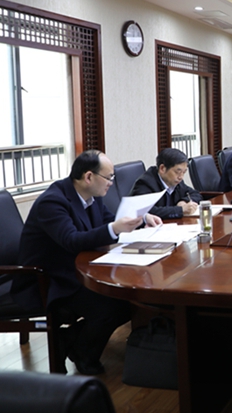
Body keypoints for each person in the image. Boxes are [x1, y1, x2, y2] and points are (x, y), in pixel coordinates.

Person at [11, 150, 162, 375]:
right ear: (89, 176)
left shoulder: (91, 196)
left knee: (130, 300)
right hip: (48, 279)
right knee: (112, 306)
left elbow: (109, 221)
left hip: (76, 269)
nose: (112, 183)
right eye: (109, 177)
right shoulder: (53, 202)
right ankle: (81, 352)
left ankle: (71, 342)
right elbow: (72, 240)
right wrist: (115, 228)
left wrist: (141, 220)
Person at [129, 148, 202, 219]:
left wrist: (183, 201)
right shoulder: (145, 183)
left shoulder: (176, 181)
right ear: (162, 168)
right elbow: (147, 211)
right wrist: (180, 210)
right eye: (178, 172)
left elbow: (196, 194)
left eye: (184, 172)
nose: (181, 177)